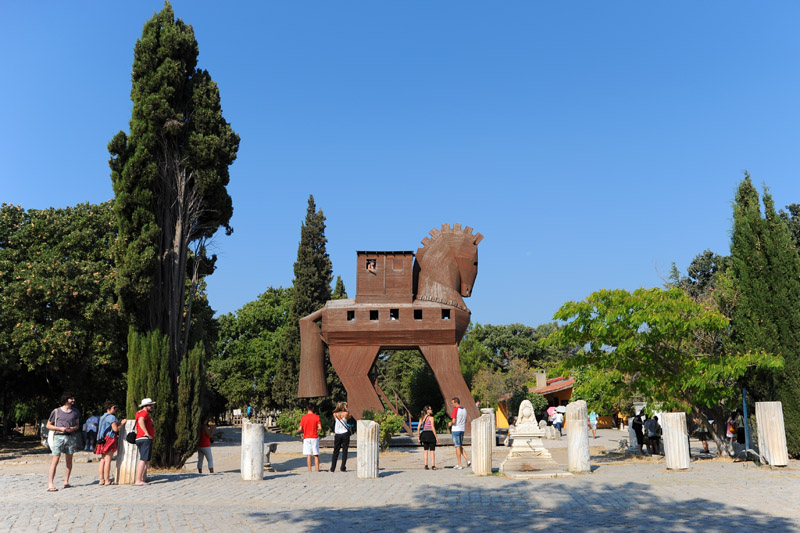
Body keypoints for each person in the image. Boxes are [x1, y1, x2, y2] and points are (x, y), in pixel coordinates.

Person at [46, 392, 81, 491]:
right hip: (59, 437)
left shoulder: (75, 412)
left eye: (73, 398)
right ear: (66, 399)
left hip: (71, 437)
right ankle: (50, 484)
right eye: (71, 398)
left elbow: (77, 425)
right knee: (55, 460)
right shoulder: (56, 411)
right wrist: (60, 428)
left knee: (69, 460)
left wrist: (73, 428)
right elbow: (48, 425)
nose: (73, 400)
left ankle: (66, 481)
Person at [95, 402, 127, 485]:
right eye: (114, 408)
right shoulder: (112, 418)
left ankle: (101, 479)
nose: (115, 409)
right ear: (108, 408)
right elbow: (115, 429)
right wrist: (122, 424)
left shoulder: (102, 417)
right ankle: (107, 480)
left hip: (102, 440)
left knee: (102, 460)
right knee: (108, 460)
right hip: (109, 439)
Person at [135, 398, 156, 486]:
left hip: (140, 438)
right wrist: (146, 433)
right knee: (143, 459)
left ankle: (142, 479)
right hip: (144, 438)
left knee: (145, 459)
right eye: (150, 405)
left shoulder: (139, 413)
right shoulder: (144, 413)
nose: (151, 407)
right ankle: (138, 480)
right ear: (145, 406)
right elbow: (140, 421)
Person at [298, 404, 322, 472]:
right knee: (316, 454)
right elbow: (320, 427)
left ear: (307, 409)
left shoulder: (304, 417)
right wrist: (315, 429)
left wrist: (304, 430)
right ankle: (317, 470)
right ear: (313, 408)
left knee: (308, 455)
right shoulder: (316, 417)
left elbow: (300, 429)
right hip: (314, 436)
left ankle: (310, 470)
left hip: (306, 437)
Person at [448, 397, 470, 469]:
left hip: (456, 429)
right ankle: (467, 460)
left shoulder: (455, 410)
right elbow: (466, 420)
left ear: (456, 402)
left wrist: (450, 423)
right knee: (460, 445)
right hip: (462, 429)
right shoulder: (464, 409)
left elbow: (454, 421)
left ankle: (459, 464)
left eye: (452, 403)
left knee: (457, 446)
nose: (451, 404)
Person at [330, 402, 351, 473]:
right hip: (345, 433)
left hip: (338, 433)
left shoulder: (334, 414)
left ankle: (332, 468)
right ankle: (342, 467)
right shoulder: (345, 413)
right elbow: (350, 416)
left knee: (336, 451)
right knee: (345, 451)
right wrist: (347, 409)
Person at [417, 405, 439, 470]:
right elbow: (433, 427)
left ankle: (426, 465)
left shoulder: (421, 418)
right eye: (430, 409)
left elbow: (418, 428)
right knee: (432, 451)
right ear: (428, 411)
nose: (431, 410)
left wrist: (419, 437)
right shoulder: (431, 418)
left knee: (425, 450)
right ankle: (433, 466)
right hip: (430, 435)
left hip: (424, 435)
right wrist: (436, 437)